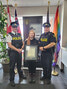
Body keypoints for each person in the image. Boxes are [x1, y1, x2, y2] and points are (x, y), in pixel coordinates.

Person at [6, 21, 26, 87]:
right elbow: (9, 45)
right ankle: (12, 80)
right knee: (12, 67)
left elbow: (23, 43)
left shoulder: (19, 34)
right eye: (14, 27)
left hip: (19, 52)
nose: (15, 28)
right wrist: (17, 49)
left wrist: (21, 48)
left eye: (16, 27)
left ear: (17, 27)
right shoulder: (9, 35)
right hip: (13, 53)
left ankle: (21, 75)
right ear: (11, 27)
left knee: (19, 65)